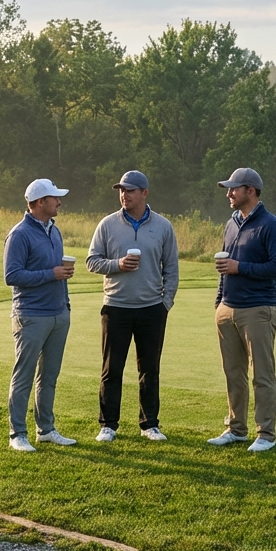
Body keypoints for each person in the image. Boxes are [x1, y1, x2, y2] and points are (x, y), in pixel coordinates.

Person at [86, 170, 179, 443]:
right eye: (121, 190)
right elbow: (92, 261)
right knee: (111, 369)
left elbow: (171, 268)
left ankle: (149, 423)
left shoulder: (163, 226)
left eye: (130, 190)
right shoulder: (107, 224)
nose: (124, 195)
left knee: (149, 369)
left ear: (145, 193)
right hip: (116, 307)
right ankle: (108, 425)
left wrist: (165, 303)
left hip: (152, 308)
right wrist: (117, 265)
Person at [207, 168, 276, 452]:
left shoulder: (270, 225)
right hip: (228, 308)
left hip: (258, 308)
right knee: (233, 373)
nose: (229, 193)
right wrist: (219, 302)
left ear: (250, 191)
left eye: (234, 188)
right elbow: (224, 267)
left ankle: (266, 434)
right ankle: (236, 429)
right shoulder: (231, 223)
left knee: (262, 375)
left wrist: (240, 268)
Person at [4, 179, 77, 452]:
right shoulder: (20, 234)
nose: (59, 201)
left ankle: (45, 429)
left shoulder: (53, 230)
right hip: (31, 315)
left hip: (58, 313)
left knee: (49, 376)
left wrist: (65, 304)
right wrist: (51, 274)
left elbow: (56, 271)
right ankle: (17, 435)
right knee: (23, 376)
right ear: (38, 203)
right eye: (54, 198)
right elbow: (12, 275)